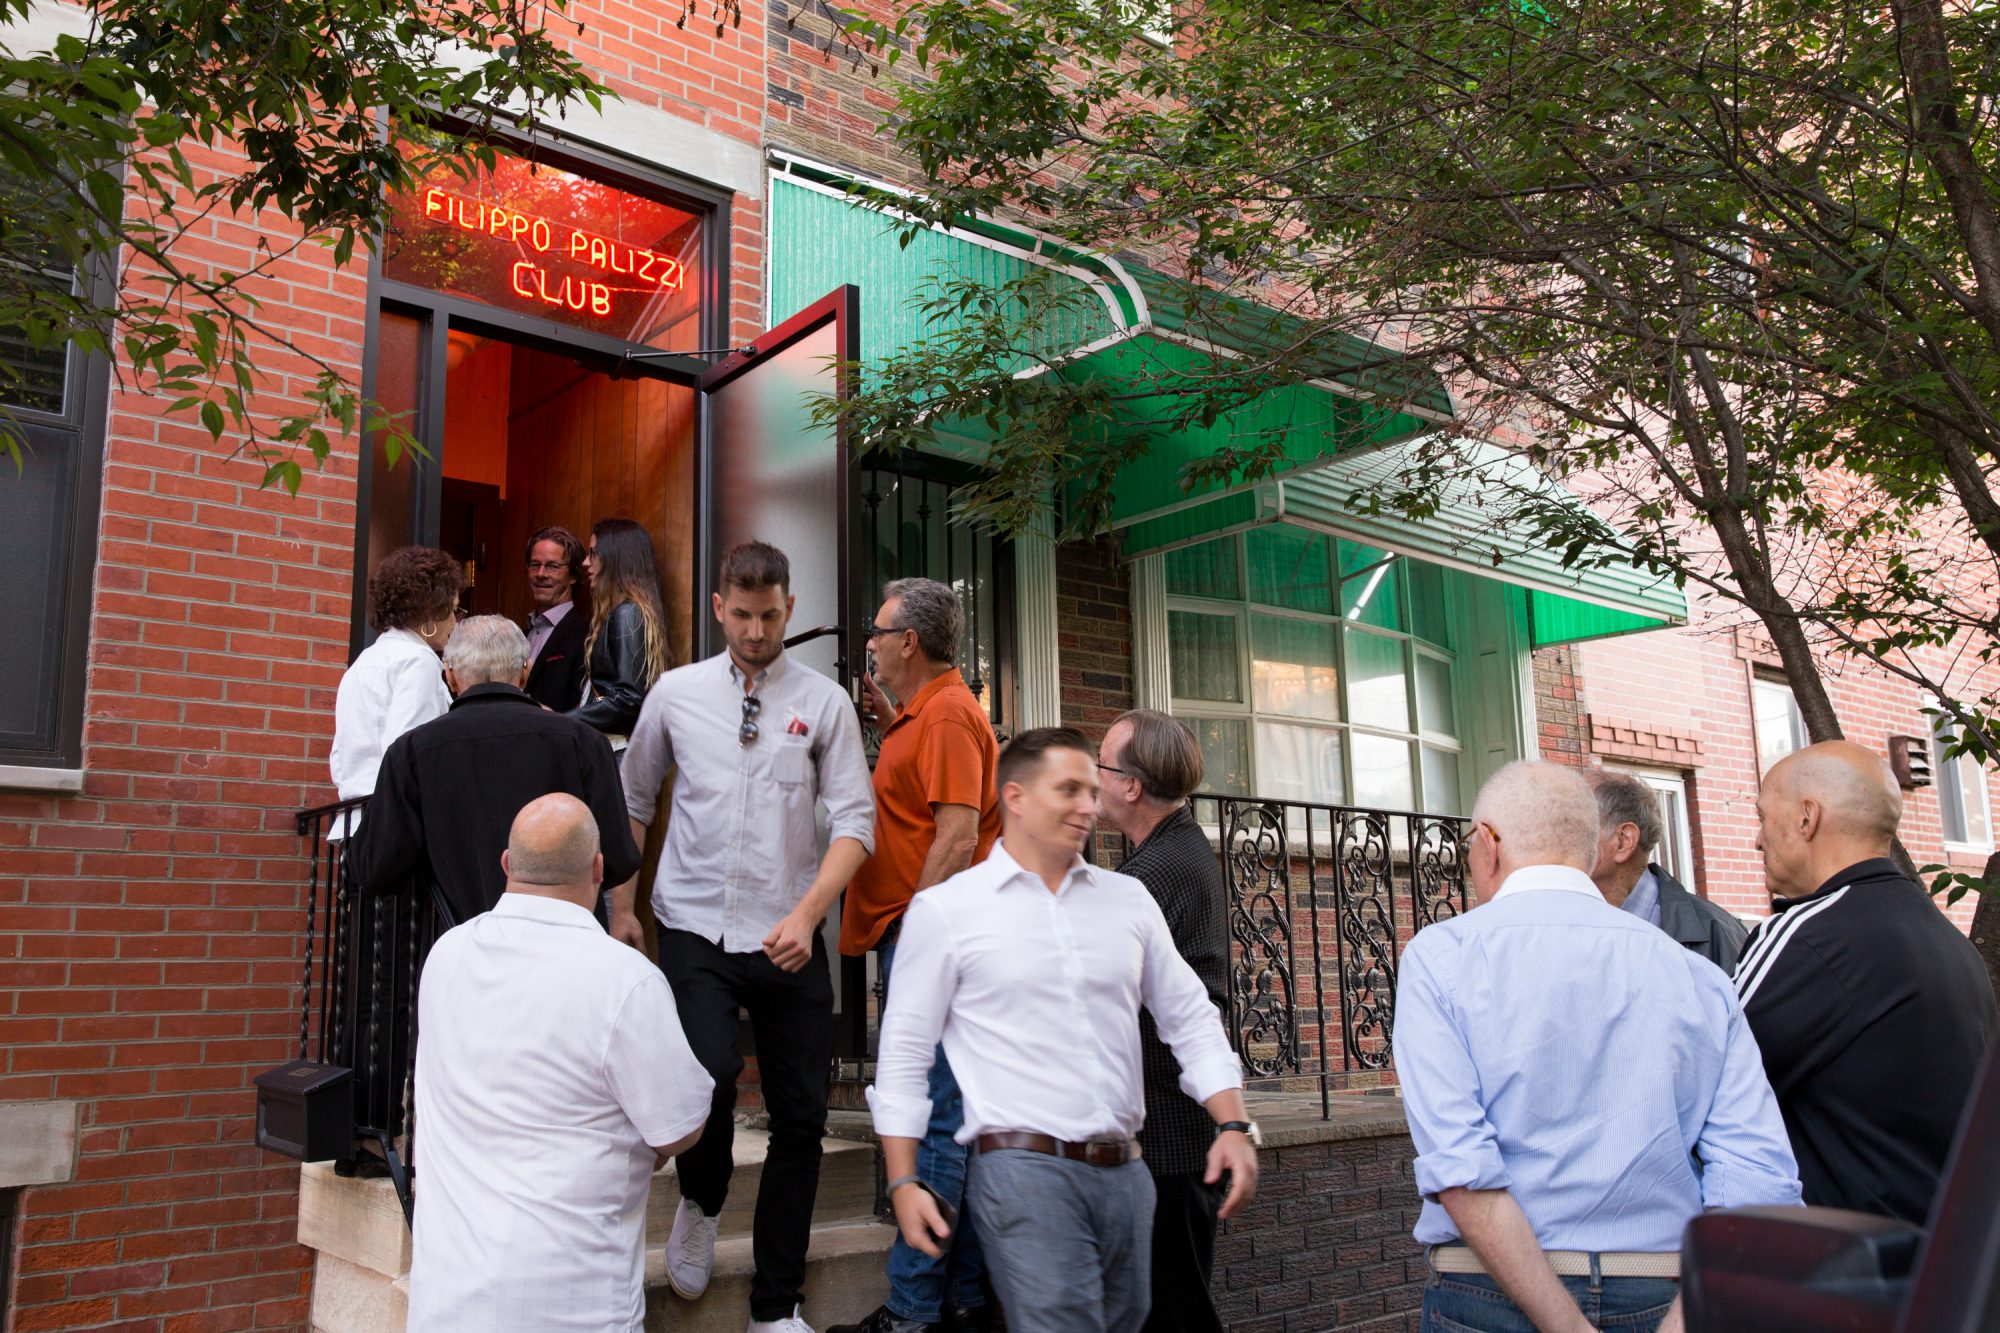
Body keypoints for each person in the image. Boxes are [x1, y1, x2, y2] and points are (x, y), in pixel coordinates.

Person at [869, 727, 1259, 1333]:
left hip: (1130, 1175)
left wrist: (1233, 1121)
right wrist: (902, 1178)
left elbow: (1190, 1015)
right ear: (1017, 797)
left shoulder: (1128, 900)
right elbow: (902, 1057)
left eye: (1091, 787)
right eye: (1069, 789)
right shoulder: (948, 911)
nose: (1089, 804)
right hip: (1025, 1173)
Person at [1394, 761, 1802, 1333]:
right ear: (1588, 852)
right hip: (1665, 1289)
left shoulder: (1442, 959)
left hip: (1489, 1295)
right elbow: (1760, 1176)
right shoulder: (1697, 976)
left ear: (1487, 844)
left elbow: (1462, 1172)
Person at [617, 540, 876, 1333]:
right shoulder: (676, 692)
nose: (755, 630)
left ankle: (775, 1306)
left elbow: (857, 824)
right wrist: (621, 911)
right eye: (741, 614)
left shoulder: (825, 702)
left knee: (801, 1118)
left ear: (788, 607)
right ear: (720, 607)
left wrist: (808, 915)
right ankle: (700, 1198)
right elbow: (632, 797)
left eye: (769, 615)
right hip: (693, 922)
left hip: (789, 931)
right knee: (711, 1075)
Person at [406, 794, 713, 1333]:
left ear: (507, 864)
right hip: (576, 1309)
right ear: (599, 870)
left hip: (445, 1305)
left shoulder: (446, 955)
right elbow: (681, 1129)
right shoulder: (625, 979)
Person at [833, 578, 1001, 1333]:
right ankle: (961, 1299)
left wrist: (923, 940)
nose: (868, 639)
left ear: (909, 641)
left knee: (932, 1118)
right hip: (915, 934)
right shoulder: (921, 716)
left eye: (878, 628)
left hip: (929, 939)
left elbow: (959, 835)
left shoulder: (947, 718)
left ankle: (912, 1310)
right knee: (949, 1117)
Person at [1738, 739, 1997, 1223]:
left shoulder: (1811, 937)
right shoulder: (1948, 942)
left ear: (1806, 818)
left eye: (1762, 817)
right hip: (1948, 1261)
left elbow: (1704, 1079)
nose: (1757, 839)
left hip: (1853, 1269)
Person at [347, 615, 641, 926]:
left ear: (450, 676)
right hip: (563, 942)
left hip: (458, 945)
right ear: (525, 672)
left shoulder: (412, 751)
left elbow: (375, 869)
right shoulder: (583, 742)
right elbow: (618, 859)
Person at [1095, 710, 1231, 1333]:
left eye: (1099, 766)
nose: (1091, 780)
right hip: (1174, 1133)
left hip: (1169, 1142)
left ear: (1130, 786)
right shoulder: (1177, 847)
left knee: (1174, 1313)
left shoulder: (1153, 873)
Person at [328, 545, 463, 837]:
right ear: (431, 612)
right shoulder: (418, 660)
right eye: (452, 610)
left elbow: (340, 758)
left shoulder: (364, 662)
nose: (455, 621)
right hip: (394, 829)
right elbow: (412, 751)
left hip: (355, 824)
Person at [1584, 768, 1747, 971]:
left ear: (1623, 841)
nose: (1555, 841)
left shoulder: (1716, 935)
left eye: (1572, 827)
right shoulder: (1554, 924)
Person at [571, 517, 671, 743]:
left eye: (593, 553)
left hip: (616, 750)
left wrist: (565, 719)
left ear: (615, 559)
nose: (586, 562)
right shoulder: (625, 612)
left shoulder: (628, 613)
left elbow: (629, 698)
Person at [522, 525, 590, 711]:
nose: (541, 574)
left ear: (573, 576)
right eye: (535, 565)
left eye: (553, 566)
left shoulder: (585, 635)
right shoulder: (521, 633)